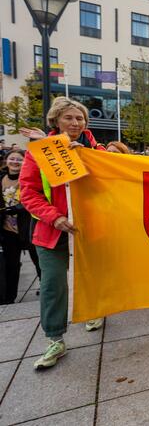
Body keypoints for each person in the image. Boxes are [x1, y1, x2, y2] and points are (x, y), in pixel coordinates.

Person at [19, 97, 106, 370]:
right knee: (53, 284)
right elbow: (28, 192)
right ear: (55, 120)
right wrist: (54, 217)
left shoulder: (95, 148)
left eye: (80, 118)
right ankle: (54, 338)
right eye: (69, 118)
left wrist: (87, 158)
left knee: (93, 273)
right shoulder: (39, 152)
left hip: (89, 227)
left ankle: (94, 310)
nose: (75, 123)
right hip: (51, 230)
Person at [0, 150, 27, 305]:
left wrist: (19, 208)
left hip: (27, 227)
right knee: (11, 264)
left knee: (38, 262)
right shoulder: (1, 179)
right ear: (6, 161)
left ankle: (46, 292)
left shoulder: (28, 177)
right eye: (12, 159)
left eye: (19, 159)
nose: (15, 162)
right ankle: (9, 298)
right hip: (8, 229)